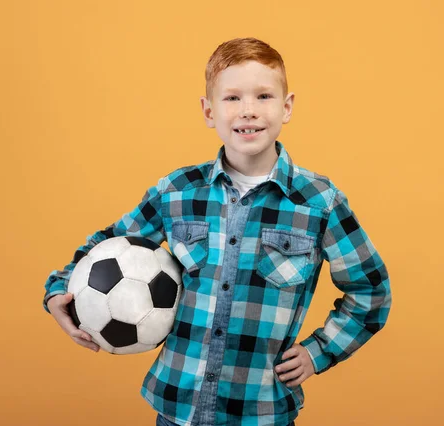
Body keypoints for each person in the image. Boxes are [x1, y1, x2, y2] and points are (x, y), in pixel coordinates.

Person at [43, 37, 392, 426]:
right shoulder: (175, 192)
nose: (248, 111)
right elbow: (104, 245)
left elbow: (371, 290)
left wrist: (319, 351)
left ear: (287, 107)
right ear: (209, 111)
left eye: (263, 96)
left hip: (261, 411)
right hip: (178, 408)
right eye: (232, 99)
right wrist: (59, 289)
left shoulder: (319, 203)